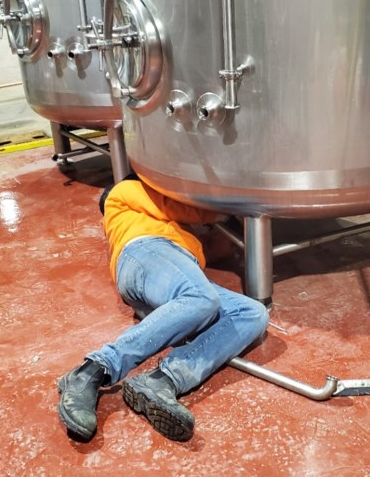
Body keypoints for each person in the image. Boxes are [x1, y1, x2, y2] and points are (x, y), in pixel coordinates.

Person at [57, 174, 270, 442]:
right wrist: (226, 210)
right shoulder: (122, 192)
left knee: (252, 313)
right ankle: (91, 371)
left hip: (169, 274)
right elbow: (176, 206)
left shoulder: (174, 228)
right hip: (145, 253)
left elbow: (214, 246)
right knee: (202, 297)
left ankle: (162, 381)